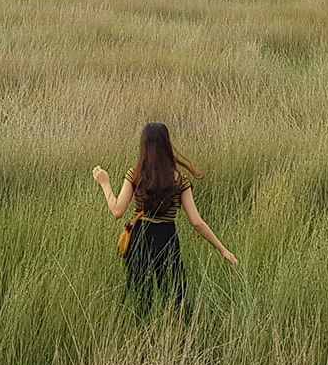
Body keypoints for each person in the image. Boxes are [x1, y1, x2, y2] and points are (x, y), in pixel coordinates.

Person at [91, 121, 238, 309]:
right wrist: (222, 249)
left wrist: (105, 183)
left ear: (143, 147)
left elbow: (117, 211)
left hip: (139, 241)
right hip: (168, 242)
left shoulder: (135, 175)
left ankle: (144, 335)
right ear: (167, 145)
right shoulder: (179, 180)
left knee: (141, 301)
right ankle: (177, 334)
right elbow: (197, 222)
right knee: (177, 300)